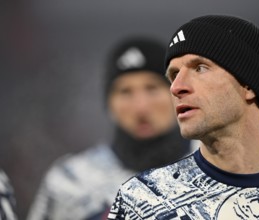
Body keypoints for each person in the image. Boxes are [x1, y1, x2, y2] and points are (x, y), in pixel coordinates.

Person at [107, 15, 259, 220]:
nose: (176, 87)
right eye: (174, 75)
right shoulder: (140, 201)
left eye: (200, 68)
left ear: (248, 85)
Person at [27, 36, 196, 220]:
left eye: (152, 88)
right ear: (109, 104)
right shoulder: (71, 182)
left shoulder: (221, 168)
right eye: (125, 92)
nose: (141, 107)